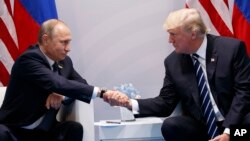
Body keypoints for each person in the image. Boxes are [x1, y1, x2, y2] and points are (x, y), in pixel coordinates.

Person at [105, 8, 250, 141]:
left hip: (237, 124)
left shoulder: (231, 49)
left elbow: (244, 93)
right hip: (203, 126)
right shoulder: (173, 62)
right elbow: (165, 102)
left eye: (173, 34)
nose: (169, 40)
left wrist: (228, 132)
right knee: (172, 125)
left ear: (193, 33)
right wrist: (129, 104)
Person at [0, 19, 128, 141]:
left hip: (44, 132)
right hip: (15, 130)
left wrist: (62, 96)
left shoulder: (65, 62)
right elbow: (56, 83)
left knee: (73, 128)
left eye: (69, 42)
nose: (68, 48)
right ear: (45, 40)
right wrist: (102, 92)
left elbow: (81, 86)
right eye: (64, 42)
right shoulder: (29, 60)